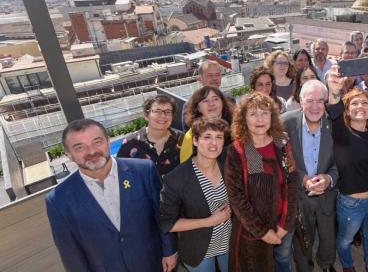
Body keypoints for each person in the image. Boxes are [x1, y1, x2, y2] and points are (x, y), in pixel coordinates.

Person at [46, 119, 177, 272]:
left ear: (108, 142)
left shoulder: (144, 171)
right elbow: (69, 251)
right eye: (80, 147)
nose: (91, 152)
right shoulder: (58, 199)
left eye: (97, 142)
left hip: (153, 263)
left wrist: (170, 250)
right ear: (69, 155)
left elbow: (162, 215)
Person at [225, 93, 298, 271]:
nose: (260, 119)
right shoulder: (241, 149)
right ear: (243, 119)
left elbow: (291, 182)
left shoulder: (281, 141)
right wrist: (263, 232)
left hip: (282, 223)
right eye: (253, 114)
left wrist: (285, 224)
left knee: (283, 262)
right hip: (254, 231)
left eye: (265, 113)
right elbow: (238, 199)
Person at [326, 72, 368, 272]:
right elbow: (334, 111)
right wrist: (334, 91)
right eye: (354, 103)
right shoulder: (341, 133)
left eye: (364, 103)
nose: (359, 107)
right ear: (347, 109)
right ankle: (348, 267)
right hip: (350, 204)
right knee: (345, 241)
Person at [160, 118, 232, 271]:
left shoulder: (228, 165)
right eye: (207, 137)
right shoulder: (176, 178)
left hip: (230, 244)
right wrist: (209, 221)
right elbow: (168, 223)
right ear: (195, 140)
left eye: (219, 137)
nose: (214, 143)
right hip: (199, 251)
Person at [282, 80, 338, 272]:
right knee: (301, 241)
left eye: (320, 101)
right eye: (310, 100)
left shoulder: (335, 124)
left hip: (327, 196)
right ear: (300, 101)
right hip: (299, 198)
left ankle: (326, 263)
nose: (315, 106)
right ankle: (305, 268)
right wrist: (303, 179)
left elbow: (341, 162)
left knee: (328, 237)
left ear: (327, 101)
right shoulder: (285, 123)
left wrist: (329, 179)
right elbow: (281, 162)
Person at [118, 95, 184, 178]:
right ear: (146, 115)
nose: (163, 116)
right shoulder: (131, 143)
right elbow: (121, 173)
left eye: (168, 112)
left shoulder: (182, 139)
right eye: (157, 111)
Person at [180, 86, 234, 163]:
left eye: (215, 99)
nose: (211, 104)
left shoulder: (237, 129)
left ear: (223, 103)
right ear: (198, 108)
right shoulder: (191, 136)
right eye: (205, 101)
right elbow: (185, 170)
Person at [182, 60, 226, 130]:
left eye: (217, 75)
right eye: (210, 75)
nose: (214, 78)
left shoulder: (229, 101)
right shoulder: (190, 106)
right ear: (200, 79)